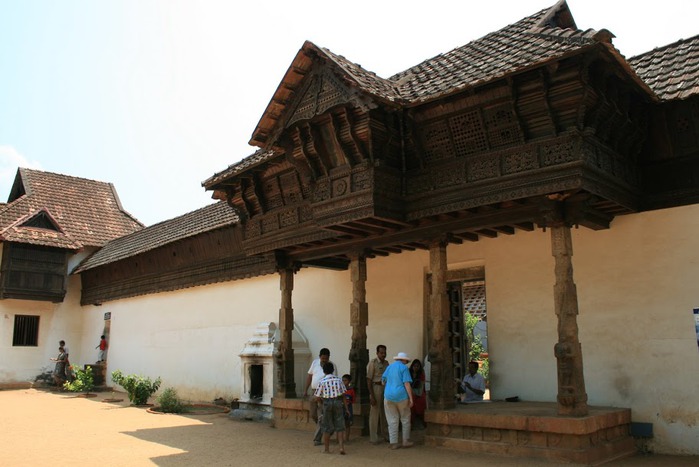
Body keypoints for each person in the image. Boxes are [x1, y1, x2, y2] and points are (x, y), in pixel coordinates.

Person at [313, 362, 348, 455]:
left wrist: (321, 403)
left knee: (326, 427)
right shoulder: (339, 380)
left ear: (324, 371)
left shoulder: (322, 381)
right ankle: (341, 447)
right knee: (340, 426)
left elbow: (316, 396)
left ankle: (326, 449)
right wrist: (347, 408)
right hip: (338, 402)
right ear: (333, 370)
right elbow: (344, 395)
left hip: (327, 402)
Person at [382, 351, 414, 450]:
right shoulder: (404, 368)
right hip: (401, 396)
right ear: (404, 360)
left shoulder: (389, 367)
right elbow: (407, 384)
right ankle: (405, 441)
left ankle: (394, 442)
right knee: (405, 419)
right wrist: (411, 398)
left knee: (392, 420)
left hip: (388, 396)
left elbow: (383, 381)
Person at [303, 348, 335, 446]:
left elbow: (333, 381)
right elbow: (310, 376)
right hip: (314, 391)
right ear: (319, 357)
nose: (324, 360)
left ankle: (317, 439)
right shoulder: (315, 363)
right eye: (323, 358)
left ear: (329, 357)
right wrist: (305, 390)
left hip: (324, 393)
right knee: (313, 414)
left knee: (321, 416)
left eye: (326, 358)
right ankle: (327, 427)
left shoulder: (331, 366)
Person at [366, 344, 388, 444]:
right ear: (377, 353)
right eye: (381, 353)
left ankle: (385, 435)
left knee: (385, 413)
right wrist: (372, 395)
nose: (383, 354)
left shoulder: (387, 363)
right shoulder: (372, 363)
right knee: (374, 413)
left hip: (386, 388)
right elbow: (369, 380)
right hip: (376, 388)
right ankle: (373, 438)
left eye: (384, 352)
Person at [409, 359, 426, 429]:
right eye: (414, 366)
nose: (416, 368)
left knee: (422, 402)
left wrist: (417, 393)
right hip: (410, 392)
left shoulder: (421, 374)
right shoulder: (408, 373)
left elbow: (421, 385)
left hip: (419, 392)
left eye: (417, 366)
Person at [342, 374, 355, 441]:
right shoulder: (340, 389)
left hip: (348, 407)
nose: (344, 382)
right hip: (341, 408)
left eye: (345, 380)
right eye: (343, 380)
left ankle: (347, 438)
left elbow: (353, 400)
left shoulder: (351, 390)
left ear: (349, 381)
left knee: (347, 423)